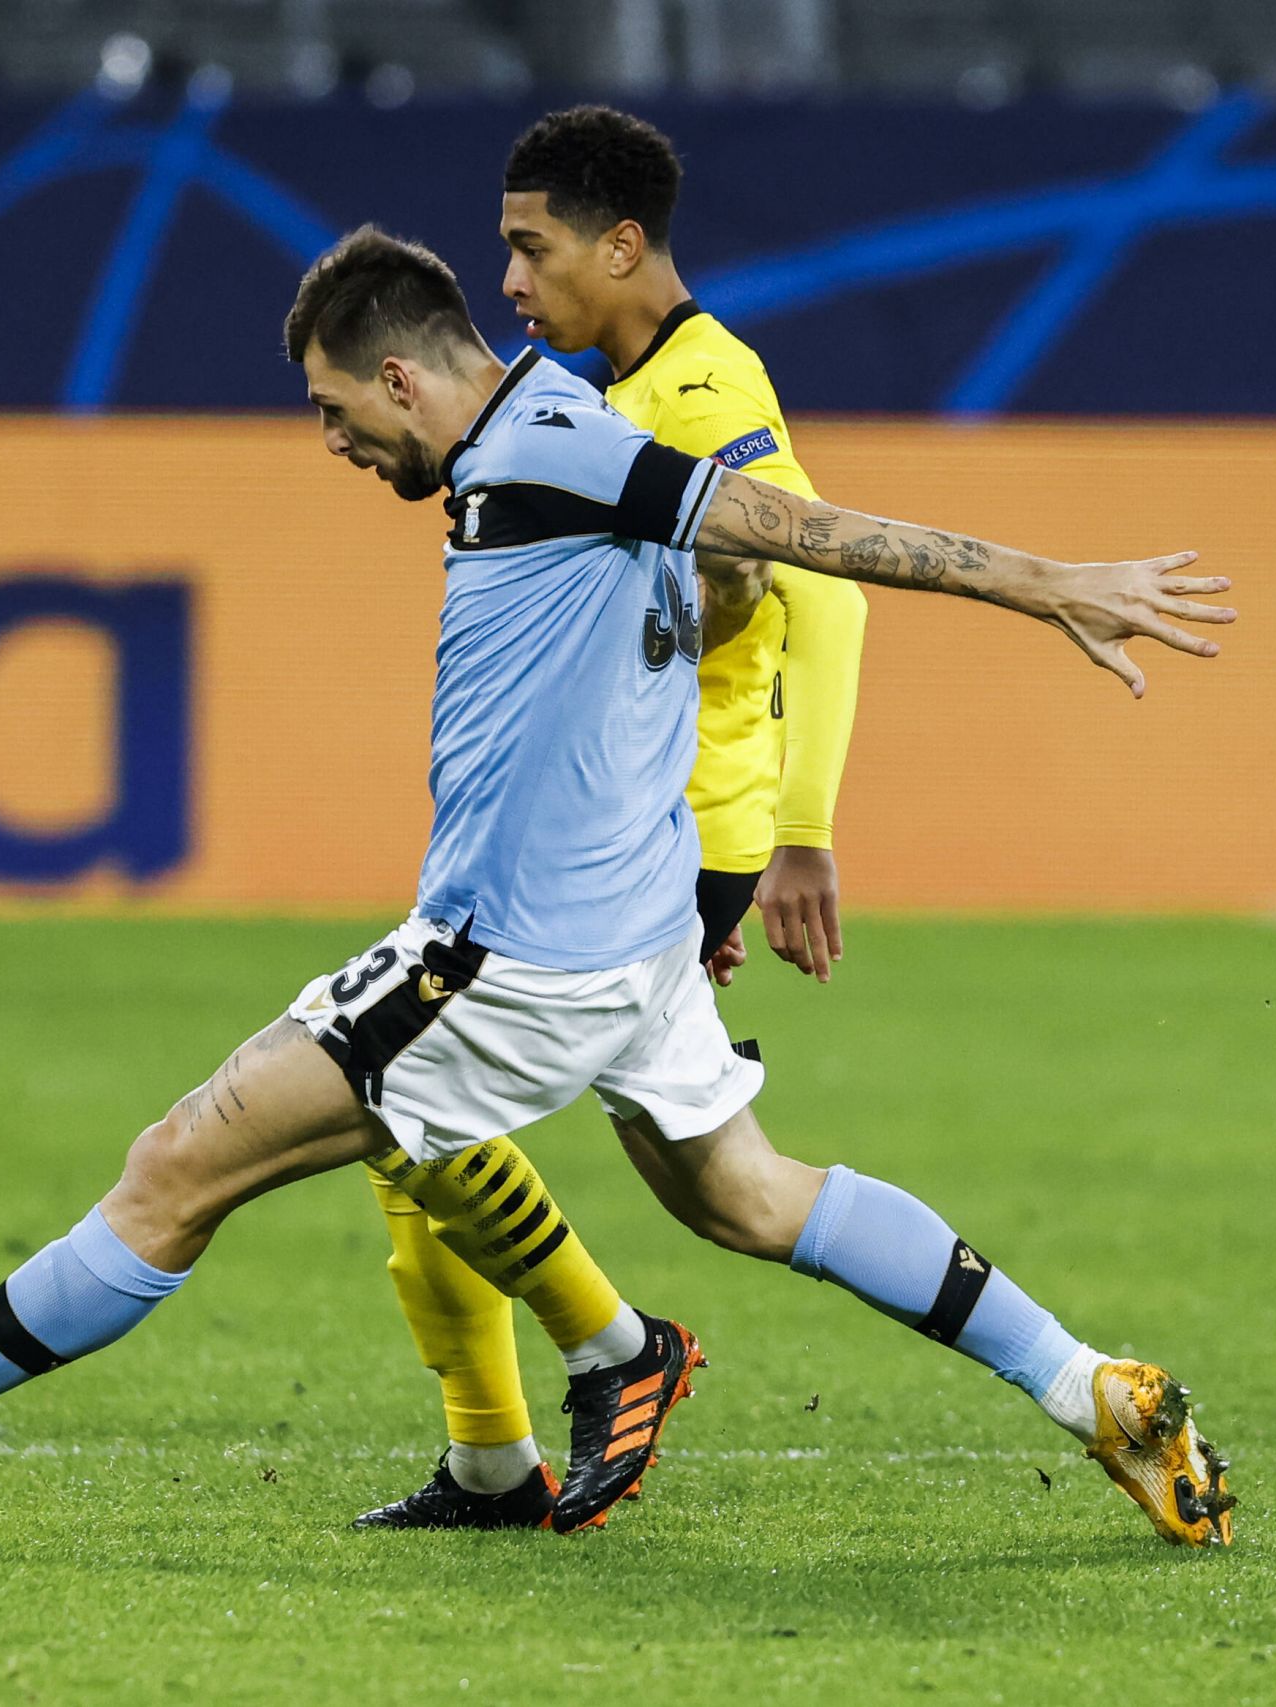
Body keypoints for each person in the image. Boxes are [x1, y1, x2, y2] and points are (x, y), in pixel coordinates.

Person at [0, 226, 1239, 1544]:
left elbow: (805, 534)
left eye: (336, 407)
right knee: (758, 1195)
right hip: (626, 955)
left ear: (404, 375)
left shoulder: (563, 442)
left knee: (177, 1167)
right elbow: (727, 572)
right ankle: (1087, 1382)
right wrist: (700, 605)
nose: (337, 443)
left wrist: (1053, 585)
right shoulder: (538, 448)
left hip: (511, 962)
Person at [352, 104, 875, 1533]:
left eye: (529, 249)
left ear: (621, 243)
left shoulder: (704, 398)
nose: (508, 282)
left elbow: (825, 586)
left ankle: (593, 1375)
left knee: (408, 1098)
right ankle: (502, 1450)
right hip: (631, 824)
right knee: (727, 1191)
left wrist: (797, 832)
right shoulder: (619, 392)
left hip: (669, 835)